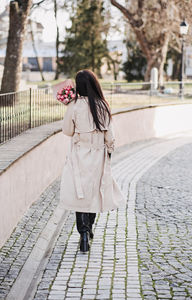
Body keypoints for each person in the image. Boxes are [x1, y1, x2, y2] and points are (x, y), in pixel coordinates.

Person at [59, 69, 124, 252]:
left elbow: (67, 131)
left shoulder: (75, 105)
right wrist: (109, 152)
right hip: (98, 155)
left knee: (80, 195)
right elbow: (110, 136)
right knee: (94, 193)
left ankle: (84, 234)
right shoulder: (103, 105)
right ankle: (89, 228)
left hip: (79, 155)